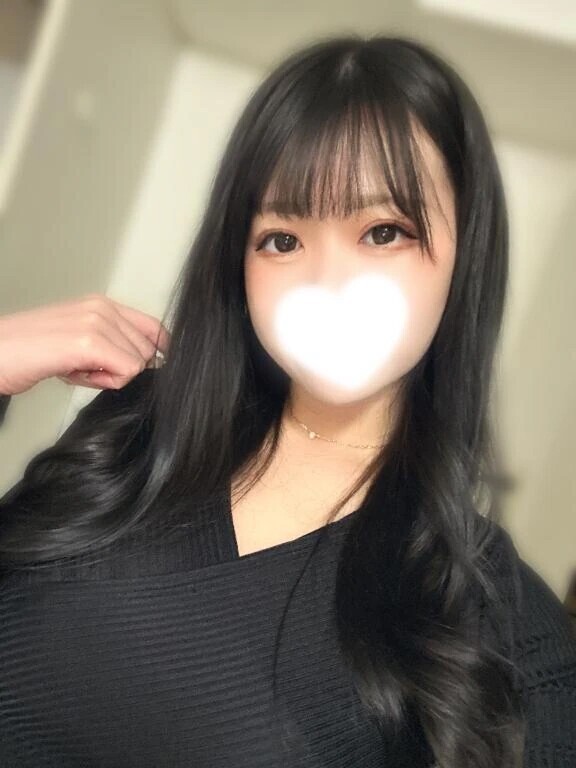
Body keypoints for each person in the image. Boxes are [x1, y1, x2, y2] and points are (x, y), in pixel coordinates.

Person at [0, 34, 574, 768]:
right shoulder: (132, 435)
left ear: (466, 257)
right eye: (280, 240)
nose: (327, 282)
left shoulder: (501, 619)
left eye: (384, 231)